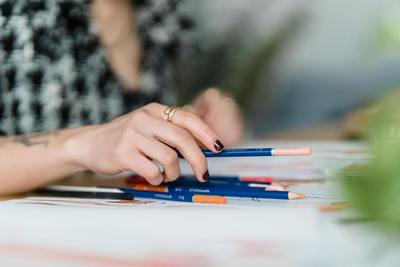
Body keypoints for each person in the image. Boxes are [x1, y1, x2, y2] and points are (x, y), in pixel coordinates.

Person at [0, 0, 244, 195]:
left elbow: (128, 132)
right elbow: (110, 139)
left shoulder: (158, 13)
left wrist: (186, 126)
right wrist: (83, 145)